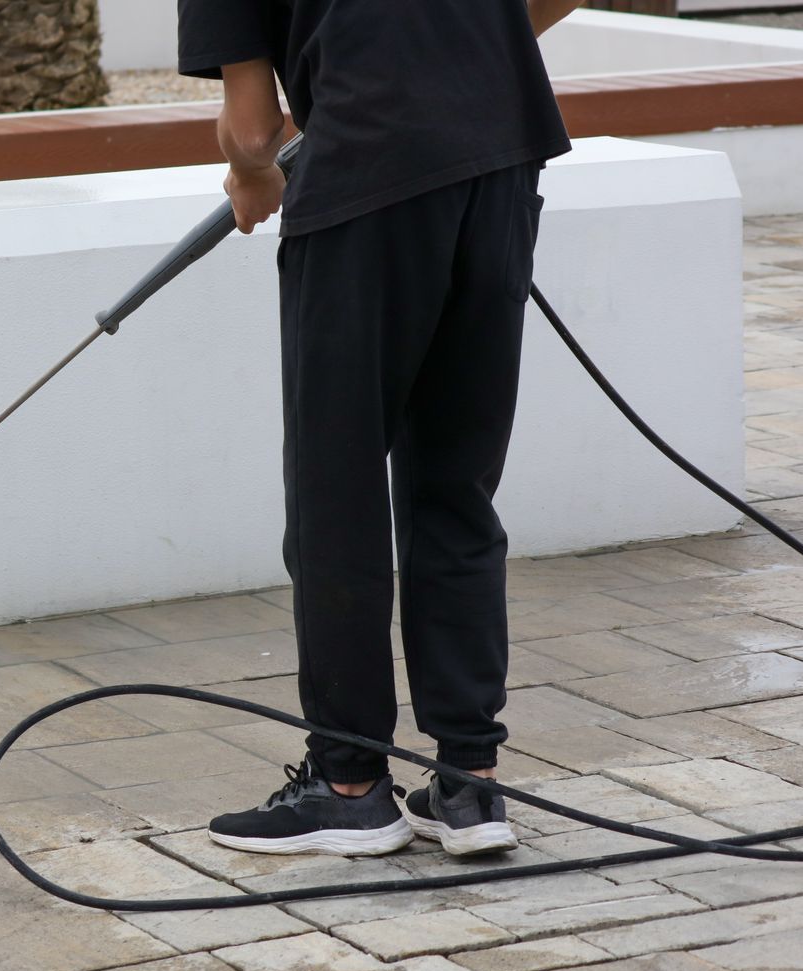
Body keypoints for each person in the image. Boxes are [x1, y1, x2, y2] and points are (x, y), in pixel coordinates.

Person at [186, 0, 585, 857]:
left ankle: (348, 785)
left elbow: (254, 132)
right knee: (456, 484)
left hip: (366, 173)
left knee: (340, 493)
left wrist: (252, 178)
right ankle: (469, 785)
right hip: (501, 153)